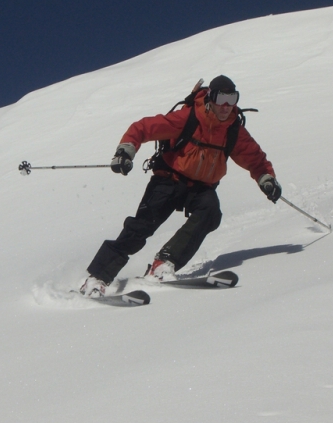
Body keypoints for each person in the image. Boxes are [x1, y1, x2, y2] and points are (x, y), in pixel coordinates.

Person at [80, 75, 281, 297]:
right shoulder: (189, 118)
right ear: (210, 98)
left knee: (210, 212)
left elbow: (255, 159)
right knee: (141, 227)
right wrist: (126, 150)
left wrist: (266, 179)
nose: (226, 106)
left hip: (201, 187)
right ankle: (97, 278)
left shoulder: (234, 130)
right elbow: (144, 127)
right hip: (169, 179)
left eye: (232, 99)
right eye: (221, 98)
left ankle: (164, 264)